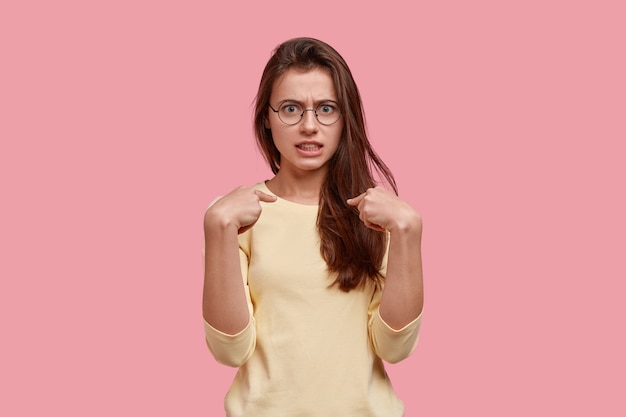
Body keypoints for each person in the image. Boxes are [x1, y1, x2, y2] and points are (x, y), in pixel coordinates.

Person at [202, 37, 424, 417]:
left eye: (326, 109)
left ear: (345, 118)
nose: (309, 126)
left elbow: (395, 348)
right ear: (267, 119)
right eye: (290, 108)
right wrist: (217, 229)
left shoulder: (378, 215)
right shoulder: (237, 215)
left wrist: (408, 232)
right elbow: (229, 350)